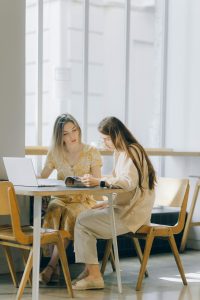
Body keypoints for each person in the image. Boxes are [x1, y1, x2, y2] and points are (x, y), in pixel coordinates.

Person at [72, 116, 156, 290]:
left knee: (82, 222)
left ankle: (94, 275)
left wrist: (100, 182)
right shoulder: (121, 152)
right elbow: (117, 179)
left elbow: (127, 183)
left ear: (116, 135)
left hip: (132, 215)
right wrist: (99, 182)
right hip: (124, 209)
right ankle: (90, 271)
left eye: (106, 139)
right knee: (83, 217)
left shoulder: (133, 151)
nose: (104, 143)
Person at [39, 113, 102, 284]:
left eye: (74, 130)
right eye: (66, 133)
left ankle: (52, 266)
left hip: (84, 200)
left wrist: (88, 182)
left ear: (78, 129)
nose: (72, 136)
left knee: (69, 214)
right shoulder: (55, 152)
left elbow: (98, 183)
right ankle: (56, 266)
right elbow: (42, 176)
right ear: (60, 136)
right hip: (61, 198)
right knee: (53, 209)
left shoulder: (91, 151)